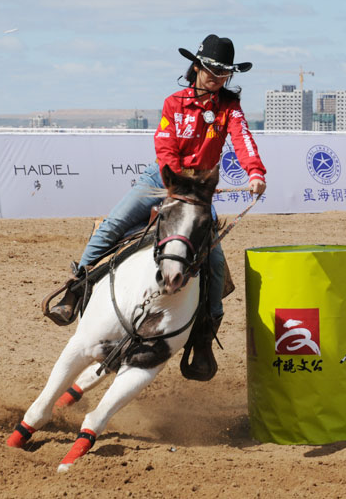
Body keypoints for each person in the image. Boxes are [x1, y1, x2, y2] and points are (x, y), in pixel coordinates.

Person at [46, 34, 267, 378]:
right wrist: (176, 182)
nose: (217, 77)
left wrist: (255, 172)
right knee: (113, 224)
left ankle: (204, 335)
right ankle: (74, 291)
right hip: (162, 178)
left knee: (214, 261)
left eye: (224, 73)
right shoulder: (173, 103)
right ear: (197, 67)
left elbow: (243, 140)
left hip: (199, 188)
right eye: (212, 70)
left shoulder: (230, 109)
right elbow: (165, 147)